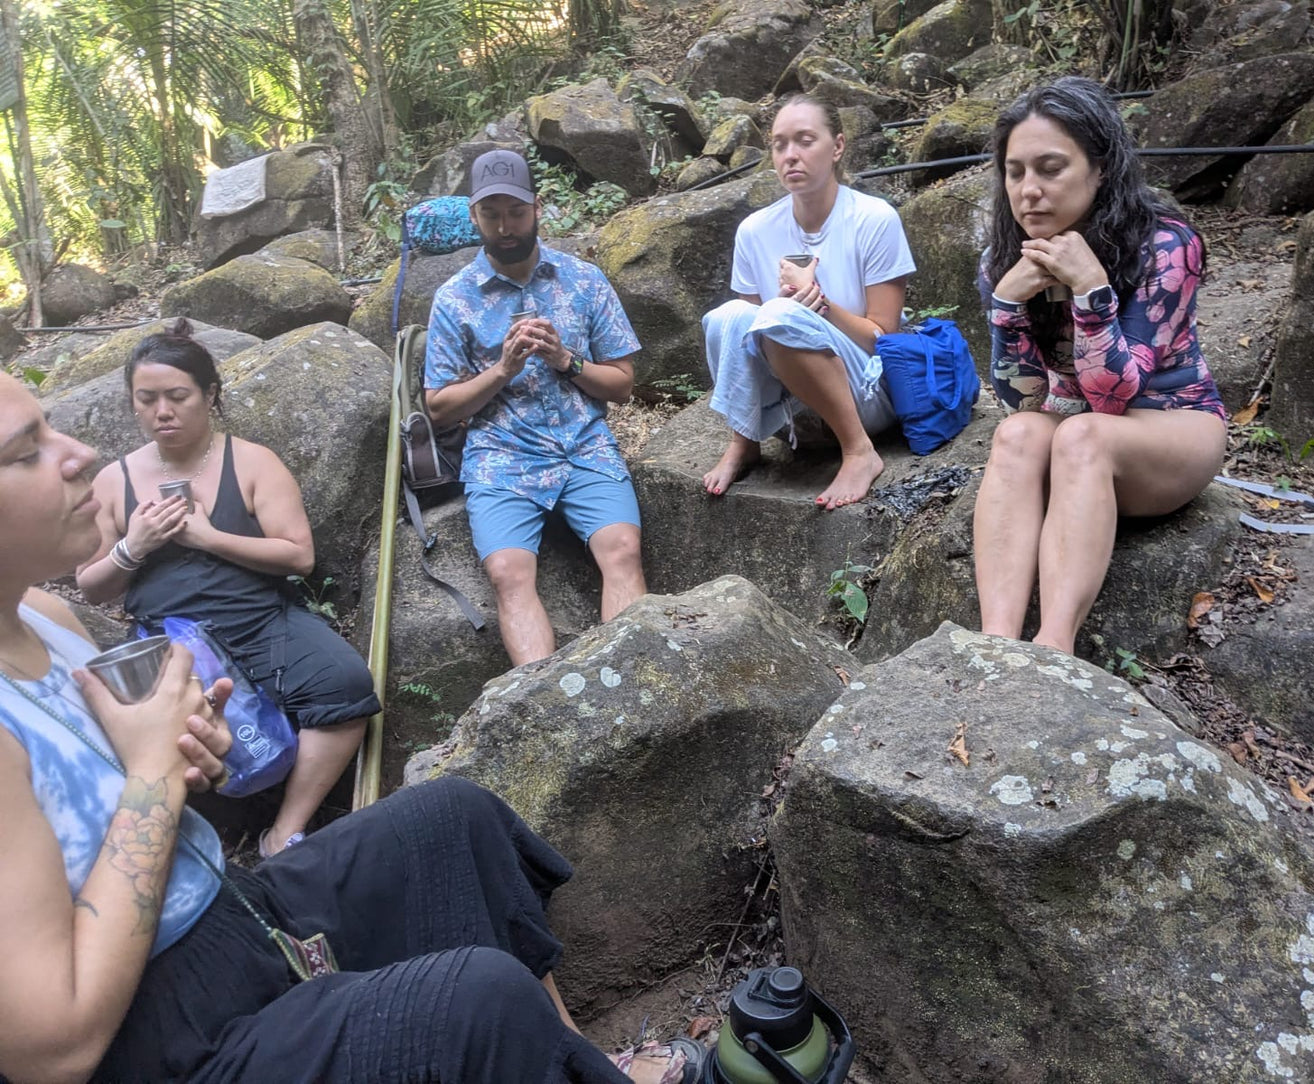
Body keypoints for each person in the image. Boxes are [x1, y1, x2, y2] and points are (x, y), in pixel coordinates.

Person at [0, 371, 705, 1083]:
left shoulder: (44, 619)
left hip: (235, 915)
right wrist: (153, 774)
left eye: (51, 427)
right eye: (25, 451)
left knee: (453, 821)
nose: (79, 453)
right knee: (480, 1002)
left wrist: (185, 758)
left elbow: (125, 794)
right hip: (163, 1042)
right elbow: (52, 1050)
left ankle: (575, 1062)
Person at [74, 319, 380, 858]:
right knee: (139, 737)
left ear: (210, 395)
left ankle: (283, 832)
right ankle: (197, 846)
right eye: (146, 399)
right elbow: (92, 585)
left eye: (177, 396)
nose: (161, 412)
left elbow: (298, 555)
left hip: (261, 618)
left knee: (345, 683)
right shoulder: (113, 480)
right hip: (170, 639)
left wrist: (208, 536)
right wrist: (135, 544)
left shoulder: (252, 461)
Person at [972, 76, 1229, 655]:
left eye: (1051, 168)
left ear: (1101, 169)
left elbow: (1116, 397)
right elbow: (1024, 404)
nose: (1029, 190)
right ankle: (994, 646)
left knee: (1084, 433)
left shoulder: (1165, 244)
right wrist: (1007, 305)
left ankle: (1053, 649)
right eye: (1016, 172)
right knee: (1014, 435)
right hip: (1075, 427)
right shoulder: (1003, 257)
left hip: (1171, 428)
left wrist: (1091, 289)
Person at [425, 149, 647, 667]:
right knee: (507, 572)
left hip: (583, 444)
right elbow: (439, 408)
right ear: (474, 217)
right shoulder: (454, 299)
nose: (505, 227)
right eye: (491, 214)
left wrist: (565, 360)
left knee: (621, 550)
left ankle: (631, 692)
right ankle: (539, 698)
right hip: (501, 452)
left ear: (537, 208)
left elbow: (622, 386)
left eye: (516, 212)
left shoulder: (584, 280)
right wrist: (501, 370)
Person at [701, 92, 916, 510]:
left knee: (779, 314)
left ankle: (858, 451)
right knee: (727, 317)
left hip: (868, 387)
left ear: (837, 146)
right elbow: (745, 338)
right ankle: (744, 443)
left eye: (805, 140)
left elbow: (883, 339)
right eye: (780, 145)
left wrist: (818, 304)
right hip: (789, 404)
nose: (791, 155)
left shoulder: (874, 219)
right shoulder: (754, 230)